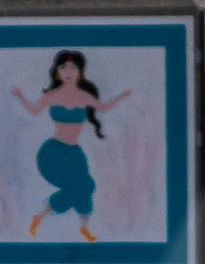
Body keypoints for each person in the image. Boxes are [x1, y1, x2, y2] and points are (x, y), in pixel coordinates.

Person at [13, 51, 131, 242]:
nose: (68, 71)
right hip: (52, 153)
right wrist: (20, 96)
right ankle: (40, 216)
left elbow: (103, 107)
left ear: (80, 72)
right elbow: (34, 110)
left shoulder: (85, 96)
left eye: (72, 67)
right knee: (86, 184)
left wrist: (124, 96)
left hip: (75, 152)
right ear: (57, 72)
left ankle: (83, 227)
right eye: (63, 67)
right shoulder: (52, 95)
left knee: (84, 185)